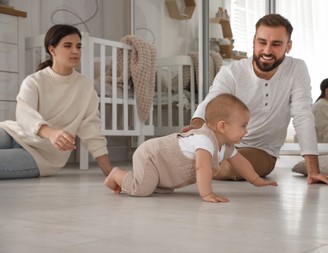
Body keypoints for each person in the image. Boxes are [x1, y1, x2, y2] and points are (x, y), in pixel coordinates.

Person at [184, 14, 328, 185]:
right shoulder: (231, 72)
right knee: (171, 151)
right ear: (253, 41)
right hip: (221, 144)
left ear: (288, 46)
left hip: (261, 151)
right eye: (262, 42)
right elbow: (211, 101)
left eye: (276, 44)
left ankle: (196, 166)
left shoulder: (297, 69)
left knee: (230, 167)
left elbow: (303, 116)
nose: (267, 51)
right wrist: (197, 132)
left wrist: (313, 170)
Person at [104, 94, 278, 203]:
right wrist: (207, 193)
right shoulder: (204, 140)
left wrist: (256, 179)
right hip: (151, 156)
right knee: (142, 190)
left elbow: (241, 163)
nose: (246, 131)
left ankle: (133, 179)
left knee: (162, 190)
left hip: (164, 167)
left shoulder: (226, 146)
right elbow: (202, 167)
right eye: (243, 126)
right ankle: (117, 174)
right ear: (223, 126)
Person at [0, 24, 113, 179]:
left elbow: (91, 130)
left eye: (78, 46)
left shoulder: (85, 87)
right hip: (12, 133)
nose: (75, 51)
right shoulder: (34, 80)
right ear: (52, 50)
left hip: (40, 157)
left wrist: (110, 172)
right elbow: (23, 113)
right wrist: (51, 133)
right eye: (68, 46)